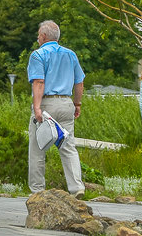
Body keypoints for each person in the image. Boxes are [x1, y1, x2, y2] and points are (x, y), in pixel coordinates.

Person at [27, 20, 86, 197]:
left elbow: (39, 81)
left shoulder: (38, 55)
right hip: (66, 103)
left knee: (38, 148)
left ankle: (37, 190)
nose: (37, 38)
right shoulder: (70, 55)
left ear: (43, 36)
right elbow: (79, 82)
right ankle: (77, 188)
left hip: (46, 104)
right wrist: (77, 103)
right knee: (68, 147)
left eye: (38, 35)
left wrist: (37, 108)